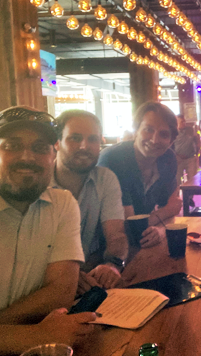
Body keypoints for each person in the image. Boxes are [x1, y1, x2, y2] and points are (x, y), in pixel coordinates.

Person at [0, 106, 96, 353]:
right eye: (11, 145)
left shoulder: (62, 204)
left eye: (40, 148)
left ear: (53, 156)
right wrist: (32, 335)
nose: (27, 157)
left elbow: (61, 293)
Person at [52, 110, 129, 295]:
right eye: (75, 138)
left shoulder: (105, 179)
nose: (84, 146)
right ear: (57, 143)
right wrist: (66, 276)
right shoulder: (38, 183)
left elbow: (116, 235)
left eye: (93, 139)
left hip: (89, 284)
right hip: (45, 289)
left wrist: (112, 264)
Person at [98, 102, 182, 248]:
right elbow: (129, 225)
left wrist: (162, 230)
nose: (155, 139)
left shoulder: (168, 159)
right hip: (103, 249)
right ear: (136, 130)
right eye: (148, 130)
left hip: (138, 244)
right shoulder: (114, 159)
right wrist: (165, 212)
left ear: (171, 141)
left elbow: (171, 213)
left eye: (164, 134)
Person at [173, 114, 200, 186]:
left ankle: (190, 196)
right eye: (182, 122)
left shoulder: (190, 130)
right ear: (177, 122)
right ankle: (177, 195)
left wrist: (197, 154)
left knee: (192, 180)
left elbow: (197, 140)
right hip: (178, 159)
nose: (184, 123)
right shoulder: (173, 132)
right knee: (177, 180)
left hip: (190, 158)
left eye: (184, 121)